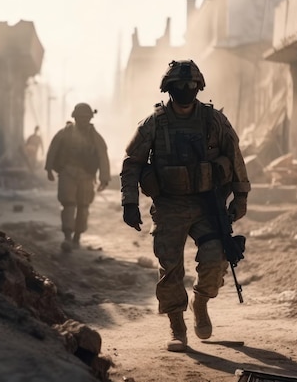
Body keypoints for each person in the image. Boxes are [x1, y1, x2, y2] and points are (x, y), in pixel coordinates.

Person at [119, 60, 250, 352]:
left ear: (199, 87)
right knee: (170, 268)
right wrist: (129, 201)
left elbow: (235, 155)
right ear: (169, 88)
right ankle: (177, 327)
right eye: (180, 86)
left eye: (192, 85)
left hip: (207, 203)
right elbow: (133, 163)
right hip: (170, 205)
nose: (186, 90)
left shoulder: (214, 120)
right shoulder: (155, 122)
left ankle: (200, 302)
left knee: (217, 260)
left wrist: (240, 196)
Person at [45, 103, 111, 252]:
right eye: (81, 118)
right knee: (68, 204)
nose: (83, 120)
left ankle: (77, 236)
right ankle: (67, 236)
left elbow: (102, 156)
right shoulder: (65, 133)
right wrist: (49, 169)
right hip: (68, 172)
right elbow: (53, 149)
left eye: (86, 118)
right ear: (75, 117)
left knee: (83, 206)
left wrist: (104, 179)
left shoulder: (95, 137)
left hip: (87, 176)